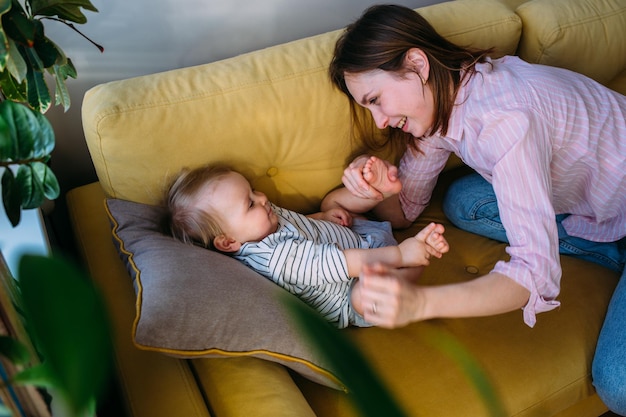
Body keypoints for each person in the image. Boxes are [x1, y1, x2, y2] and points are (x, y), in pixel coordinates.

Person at [329, 4, 626, 413]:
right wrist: (371, 186)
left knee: (618, 384)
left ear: (416, 63)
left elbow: (531, 274)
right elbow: (403, 213)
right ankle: (610, 243)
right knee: (462, 201)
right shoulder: (443, 103)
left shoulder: (504, 120)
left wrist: (421, 304)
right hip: (602, 197)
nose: (378, 122)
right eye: (369, 108)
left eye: (376, 99)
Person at [165, 162, 449, 329]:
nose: (262, 198)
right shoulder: (278, 261)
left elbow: (298, 223)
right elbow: (345, 264)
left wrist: (322, 217)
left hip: (357, 237)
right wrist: (400, 253)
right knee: (367, 298)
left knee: (331, 203)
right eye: (250, 202)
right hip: (352, 286)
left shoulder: (261, 220)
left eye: (253, 190)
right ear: (228, 242)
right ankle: (414, 261)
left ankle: (379, 192)